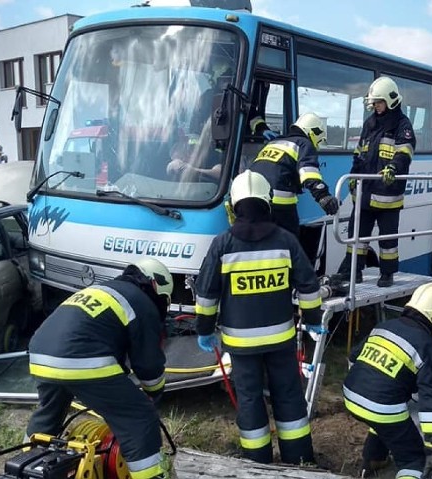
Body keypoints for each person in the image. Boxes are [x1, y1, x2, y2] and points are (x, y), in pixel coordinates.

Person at [191, 170, 322, 465]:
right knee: (288, 395)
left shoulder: (223, 245)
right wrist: (312, 318)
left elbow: (206, 295)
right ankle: (299, 459)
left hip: (240, 344)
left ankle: (256, 461)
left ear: (234, 204)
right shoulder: (286, 241)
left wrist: (204, 329)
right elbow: (309, 285)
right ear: (268, 202)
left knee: (249, 399)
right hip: (281, 340)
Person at [26, 258, 173, 479]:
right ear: (155, 286)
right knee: (138, 416)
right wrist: (154, 392)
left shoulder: (102, 290)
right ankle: (151, 475)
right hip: (83, 359)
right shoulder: (142, 302)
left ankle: (27, 466)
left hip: (40, 353)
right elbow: (148, 363)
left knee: (49, 412)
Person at [343, 282, 432, 479]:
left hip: (350, 394)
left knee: (387, 421)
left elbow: (353, 356)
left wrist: (368, 387)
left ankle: (374, 458)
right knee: (413, 459)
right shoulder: (427, 348)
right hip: (381, 406)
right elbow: (430, 401)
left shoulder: (385, 326)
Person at [336, 76, 415, 287]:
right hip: (365, 192)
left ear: (390, 101)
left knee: (388, 240)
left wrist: (393, 167)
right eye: (374, 103)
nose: (375, 106)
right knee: (356, 237)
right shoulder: (369, 124)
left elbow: (404, 153)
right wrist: (353, 176)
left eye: (379, 102)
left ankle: (387, 273)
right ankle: (353, 270)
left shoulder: (402, 125)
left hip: (388, 194)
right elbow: (359, 153)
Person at [248, 112, 340, 237]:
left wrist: (259, 125)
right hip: (280, 205)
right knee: (289, 243)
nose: (317, 145)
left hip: (255, 200)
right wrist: (323, 196)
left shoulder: (274, 142)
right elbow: (308, 173)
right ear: (313, 132)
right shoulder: (303, 144)